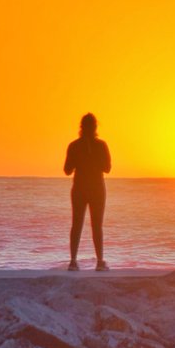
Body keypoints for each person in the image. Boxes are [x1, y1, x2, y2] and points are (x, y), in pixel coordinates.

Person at [64, 113, 112, 271]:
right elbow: (107, 168)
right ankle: (99, 262)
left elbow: (67, 170)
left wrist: (80, 159)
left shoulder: (74, 146)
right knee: (97, 225)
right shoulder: (101, 145)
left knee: (76, 224)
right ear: (95, 127)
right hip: (97, 188)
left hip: (79, 188)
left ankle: (73, 261)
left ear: (81, 127)